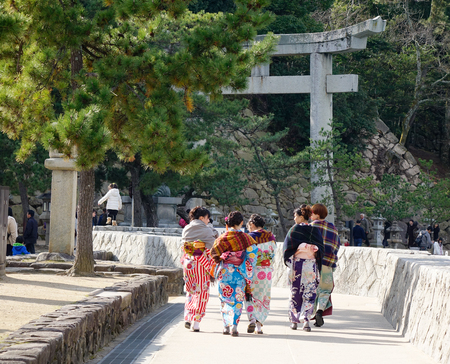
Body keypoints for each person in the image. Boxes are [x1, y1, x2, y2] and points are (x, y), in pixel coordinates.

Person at [211, 211, 258, 337]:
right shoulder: (246, 238)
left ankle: (226, 326)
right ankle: (234, 326)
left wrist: (223, 259)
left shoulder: (222, 238)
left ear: (228, 223)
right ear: (241, 223)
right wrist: (245, 267)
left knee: (225, 298)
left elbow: (214, 253)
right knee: (237, 299)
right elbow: (252, 256)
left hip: (225, 272)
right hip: (239, 272)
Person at [284, 205, 324, 332]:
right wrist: (312, 249)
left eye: (295, 216)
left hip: (297, 264)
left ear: (301, 217)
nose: (294, 218)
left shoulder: (294, 229)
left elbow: (287, 247)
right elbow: (321, 247)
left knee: (295, 292)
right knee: (309, 292)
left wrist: (300, 248)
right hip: (311, 265)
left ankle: (294, 321)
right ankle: (305, 320)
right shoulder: (315, 230)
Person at [181, 206, 217, 332]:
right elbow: (212, 247)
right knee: (202, 293)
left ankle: (188, 317)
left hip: (188, 263)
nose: (208, 221)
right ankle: (196, 321)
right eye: (207, 218)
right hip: (201, 264)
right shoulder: (206, 230)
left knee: (190, 291)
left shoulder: (186, 228)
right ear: (201, 218)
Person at [244, 214, 277, 335]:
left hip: (252, 270)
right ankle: (259, 326)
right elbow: (273, 254)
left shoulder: (249, 237)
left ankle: (252, 318)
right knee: (263, 296)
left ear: (252, 225)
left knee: (249, 295)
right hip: (266, 270)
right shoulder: (271, 237)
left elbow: (245, 254)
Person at [310, 203, 340, 327]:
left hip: (312, 263)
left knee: (311, 289)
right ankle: (319, 311)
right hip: (327, 263)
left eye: (312, 213)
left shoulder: (311, 227)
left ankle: (309, 314)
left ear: (317, 214)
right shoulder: (332, 227)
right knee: (325, 289)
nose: (310, 215)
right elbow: (336, 245)